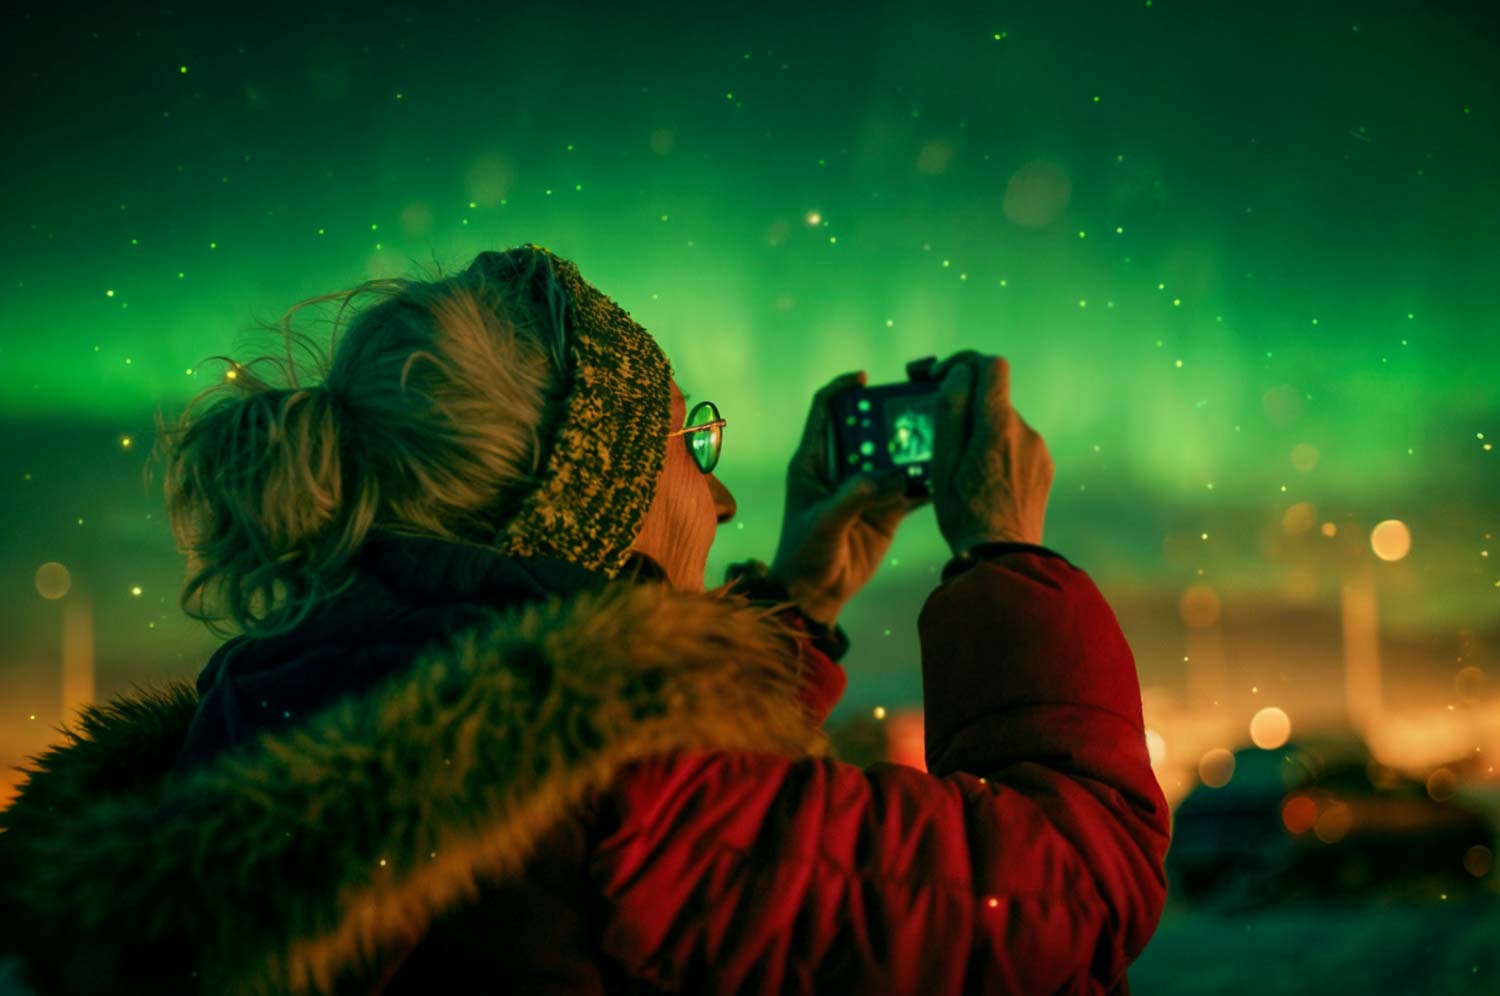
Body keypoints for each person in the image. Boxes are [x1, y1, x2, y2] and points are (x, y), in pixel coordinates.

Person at [0, 244, 1169, 994]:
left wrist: (800, 597)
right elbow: (1073, 896)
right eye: (684, 443)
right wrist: (1007, 554)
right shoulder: (600, 803)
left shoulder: (290, 726)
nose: (718, 494)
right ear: (589, 502)